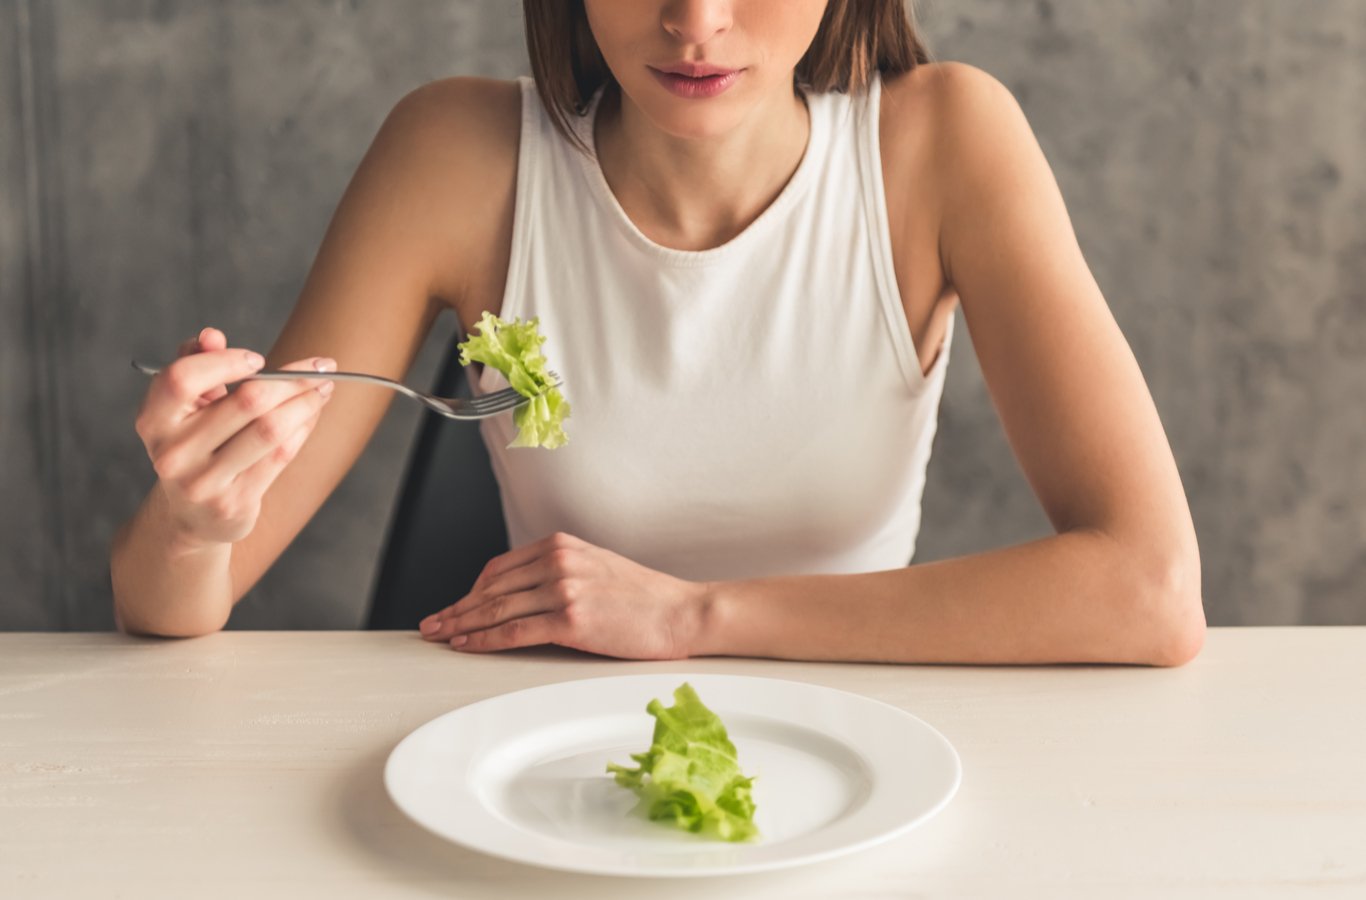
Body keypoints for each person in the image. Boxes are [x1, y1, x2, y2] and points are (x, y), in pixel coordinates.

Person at [110, 0, 1206, 666]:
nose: (693, 23)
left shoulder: (943, 143)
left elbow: (1148, 590)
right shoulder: (453, 155)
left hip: (856, 749)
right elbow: (168, 611)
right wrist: (195, 523)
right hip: (542, 762)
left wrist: (691, 618)